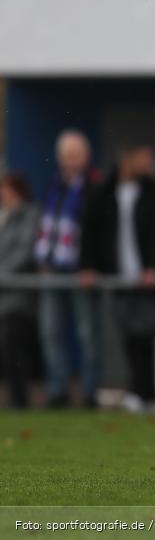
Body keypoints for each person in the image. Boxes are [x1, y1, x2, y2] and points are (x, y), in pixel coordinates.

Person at [80, 143, 155, 409]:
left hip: (147, 278)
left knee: (148, 333)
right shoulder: (105, 192)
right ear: (126, 158)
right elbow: (90, 231)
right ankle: (134, 391)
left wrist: (153, 266)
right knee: (126, 336)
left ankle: (149, 393)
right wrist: (88, 266)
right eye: (144, 159)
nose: (149, 165)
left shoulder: (154, 192)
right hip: (117, 277)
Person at [33, 129, 101, 407]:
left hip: (80, 269)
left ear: (86, 157)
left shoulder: (94, 187)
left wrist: (92, 265)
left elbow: (99, 231)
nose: (70, 160)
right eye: (65, 155)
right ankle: (57, 390)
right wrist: (42, 259)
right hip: (52, 267)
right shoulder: (54, 185)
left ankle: (88, 392)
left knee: (87, 333)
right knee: (51, 331)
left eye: (75, 154)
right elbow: (48, 225)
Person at [0, 174, 40, 408]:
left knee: (15, 347)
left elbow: (24, 252)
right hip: (3, 293)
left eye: (7, 189)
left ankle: (20, 398)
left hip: (18, 293)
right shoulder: (3, 216)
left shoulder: (30, 215)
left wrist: (2, 273)